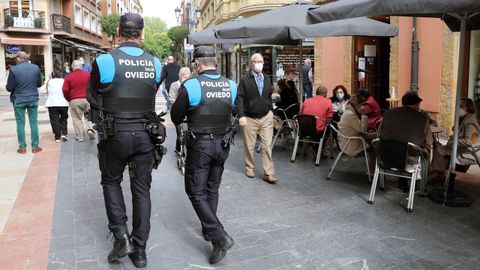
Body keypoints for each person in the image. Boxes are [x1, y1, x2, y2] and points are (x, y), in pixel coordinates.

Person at [86, 13, 162, 268]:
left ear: (118, 32)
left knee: (111, 181)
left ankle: (121, 237)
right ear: (141, 33)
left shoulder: (104, 60)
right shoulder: (156, 63)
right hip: (145, 135)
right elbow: (151, 90)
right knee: (142, 189)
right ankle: (139, 250)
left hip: (114, 135)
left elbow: (92, 95)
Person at [171, 46, 236, 264]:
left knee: (195, 190)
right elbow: (235, 110)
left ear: (197, 64)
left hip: (201, 145)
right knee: (212, 187)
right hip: (223, 144)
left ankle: (219, 236)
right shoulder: (231, 85)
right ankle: (210, 230)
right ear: (214, 62)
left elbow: (176, 116)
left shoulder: (192, 85)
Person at [378, 91, 432, 189]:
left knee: (398, 146)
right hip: (407, 161)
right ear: (416, 105)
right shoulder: (422, 118)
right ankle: (421, 185)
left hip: (385, 158)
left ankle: (399, 180)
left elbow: (379, 134)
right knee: (424, 151)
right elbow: (429, 141)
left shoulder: (388, 114)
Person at [237, 53, 277, 184]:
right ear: (251, 64)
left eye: (261, 61)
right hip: (249, 117)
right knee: (249, 145)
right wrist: (241, 115)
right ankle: (250, 167)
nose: (259, 63)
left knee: (267, 145)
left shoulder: (266, 78)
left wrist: (271, 111)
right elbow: (239, 99)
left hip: (266, 116)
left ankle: (269, 173)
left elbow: (268, 95)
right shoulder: (245, 79)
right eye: (256, 61)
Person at [430, 98, 480, 181]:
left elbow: (470, 141)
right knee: (439, 147)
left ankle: (438, 173)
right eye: (458, 106)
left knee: (439, 149)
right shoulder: (464, 118)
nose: (458, 108)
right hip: (462, 148)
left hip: (468, 152)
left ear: (468, 108)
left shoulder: (471, 122)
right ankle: (438, 173)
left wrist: (453, 142)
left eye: (461, 106)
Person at [5, 51, 43, 154]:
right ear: (26, 58)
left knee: (20, 123)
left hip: (19, 99)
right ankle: (35, 146)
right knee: (34, 122)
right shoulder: (35, 68)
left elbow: (9, 88)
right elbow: (39, 84)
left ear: (18, 59)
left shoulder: (13, 70)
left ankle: (22, 147)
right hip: (32, 99)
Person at [63, 60, 95, 142]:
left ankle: (80, 136)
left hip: (75, 99)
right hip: (88, 99)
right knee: (89, 116)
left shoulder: (69, 76)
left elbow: (65, 89)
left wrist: (68, 98)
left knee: (77, 119)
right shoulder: (88, 75)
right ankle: (90, 129)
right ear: (81, 66)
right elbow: (93, 86)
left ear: (72, 67)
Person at [169, 67, 191, 153]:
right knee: (180, 132)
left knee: (187, 133)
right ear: (180, 76)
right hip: (177, 113)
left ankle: (181, 148)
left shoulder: (190, 85)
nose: (187, 79)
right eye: (185, 77)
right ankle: (179, 149)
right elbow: (171, 99)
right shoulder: (174, 85)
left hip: (188, 113)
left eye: (188, 77)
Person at [45, 69, 69, 143]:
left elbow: (42, 90)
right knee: (64, 118)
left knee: (54, 120)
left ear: (53, 75)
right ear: (61, 75)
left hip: (52, 103)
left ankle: (57, 137)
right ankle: (64, 134)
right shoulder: (64, 81)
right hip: (63, 103)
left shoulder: (49, 82)